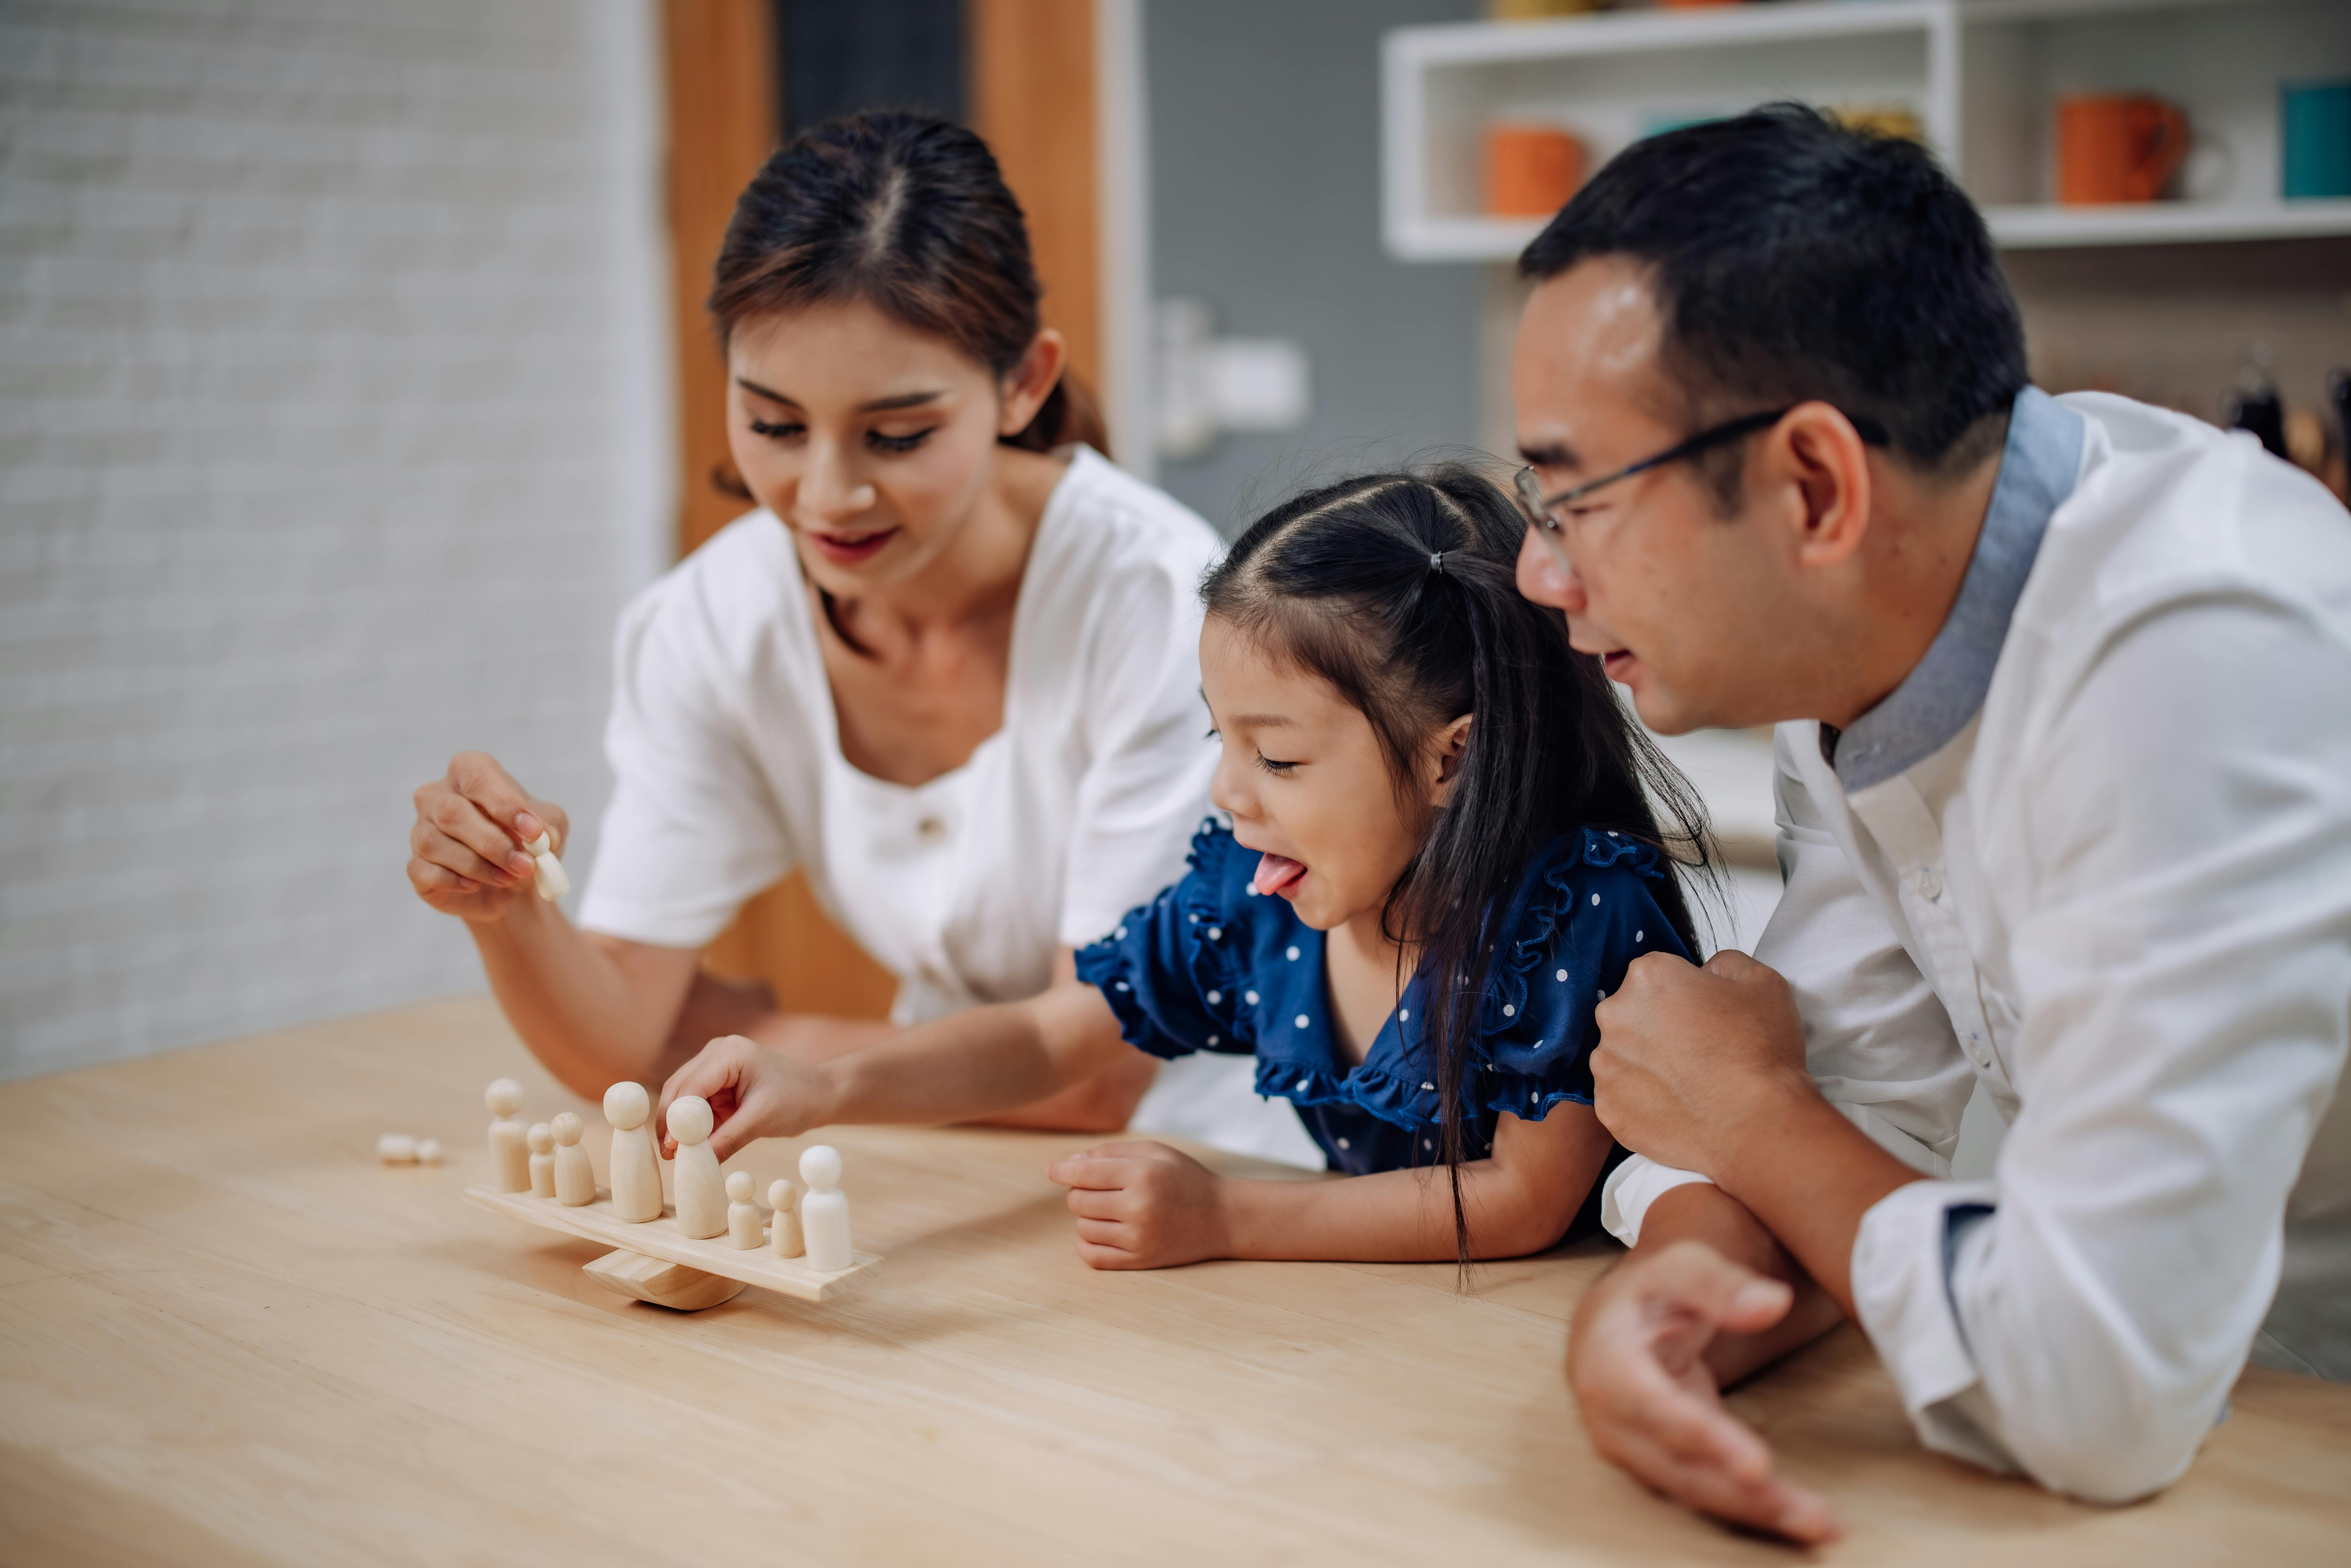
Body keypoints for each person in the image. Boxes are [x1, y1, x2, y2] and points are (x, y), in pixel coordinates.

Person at [1502, 106, 2351, 1542]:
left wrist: (1752, 1117)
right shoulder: (1859, 632)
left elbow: (2090, 1386)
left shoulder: (2196, 648)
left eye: (1571, 497)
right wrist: (1664, 1308)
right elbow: (1832, 1097)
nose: (1537, 571)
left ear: (1815, 488)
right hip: (2172, 1388)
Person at [404, 112, 1304, 1156]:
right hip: (952, 1153)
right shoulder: (709, 624)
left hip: (1221, 1164)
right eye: (776, 427)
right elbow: (617, 1041)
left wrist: (730, 1034)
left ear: (1022, 383)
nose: (827, 496)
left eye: (898, 435)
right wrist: (508, 910)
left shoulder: (1158, 608)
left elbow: (1096, 1079)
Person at [652, 466, 1720, 1266]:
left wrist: (1227, 1215)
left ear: (1455, 756)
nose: (1231, 794)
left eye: (1283, 757)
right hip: (1381, 1335)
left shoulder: (1578, 910)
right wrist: (828, 1086)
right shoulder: (1252, 901)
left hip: (1563, 1331)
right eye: (1222, 741)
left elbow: (1520, 1205)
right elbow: (1045, 1033)